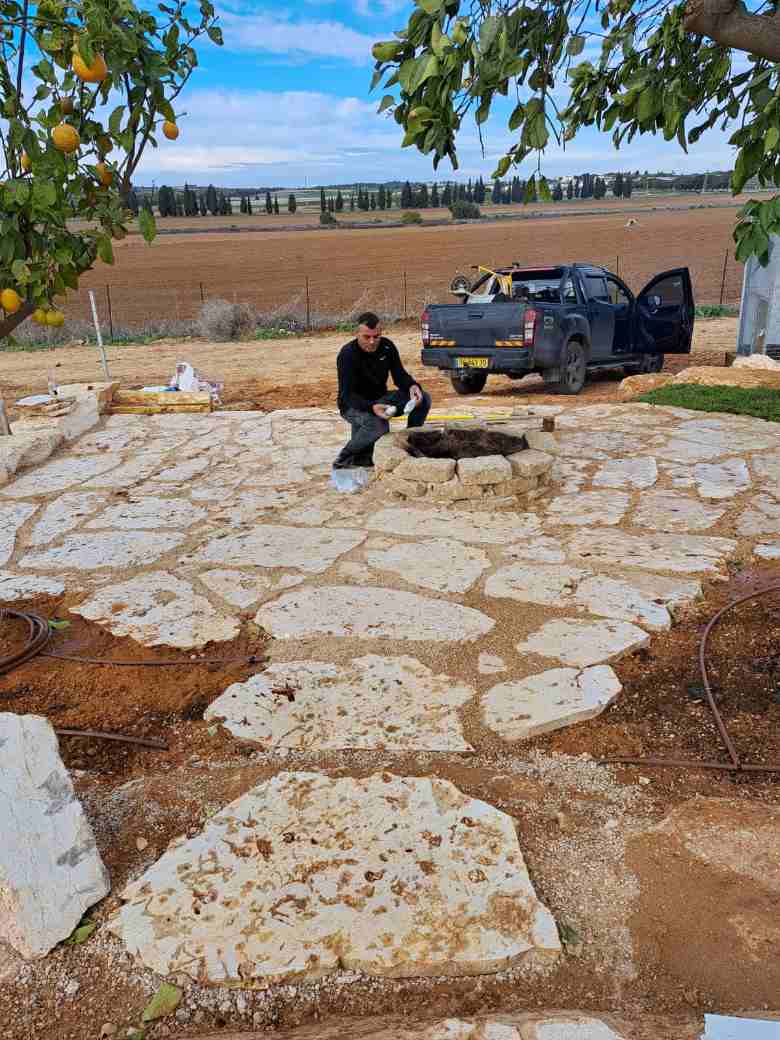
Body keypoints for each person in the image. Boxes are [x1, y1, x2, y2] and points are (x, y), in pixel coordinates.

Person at [333, 312, 431, 469]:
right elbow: (348, 395)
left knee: (424, 398)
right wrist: (371, 407)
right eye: (367, 337)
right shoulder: (347, 355)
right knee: (379, 425)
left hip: (381, 399)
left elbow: (399, 376)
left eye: (376, 336)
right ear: (357, 334)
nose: (372, 342)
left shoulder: (387, 346)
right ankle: (344, 458)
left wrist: (413, 386)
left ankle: (410, 440)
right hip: (353, 405)